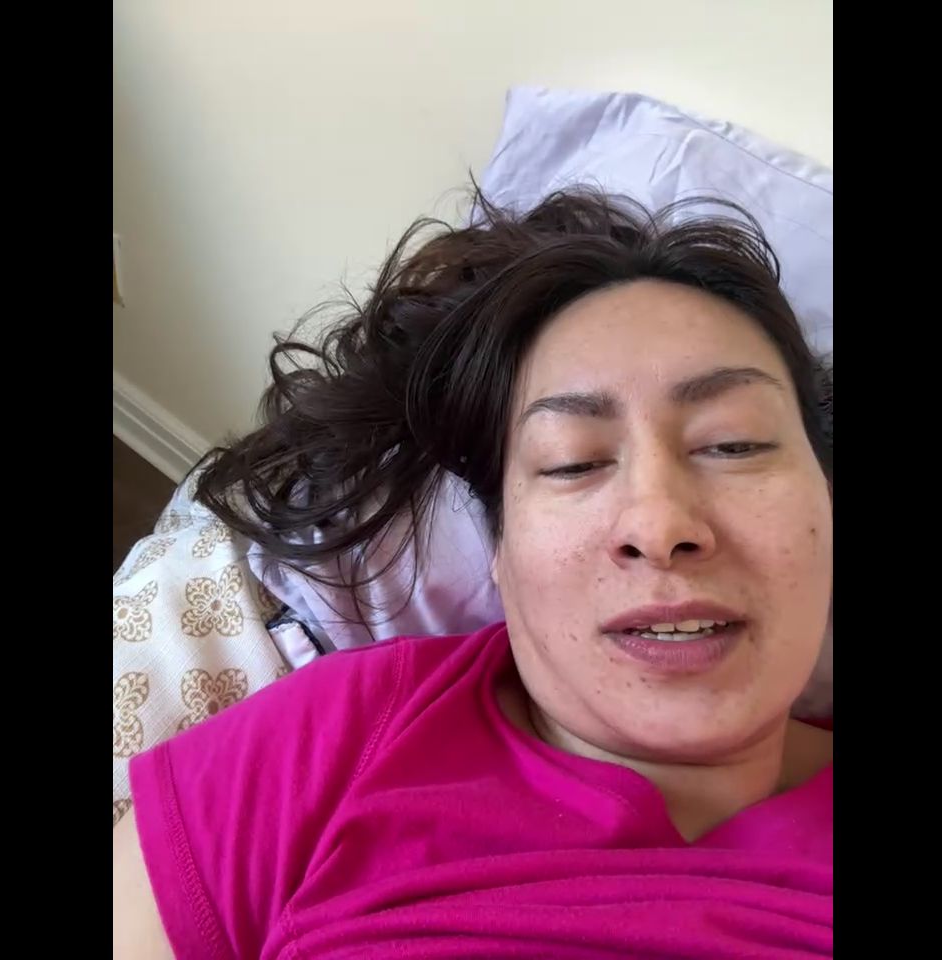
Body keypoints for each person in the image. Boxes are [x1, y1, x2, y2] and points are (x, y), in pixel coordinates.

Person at [113, 188, 833, 959]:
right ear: (500, 551)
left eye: (734, 445)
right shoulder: (336, 736)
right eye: (573, 462)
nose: (660, 526)